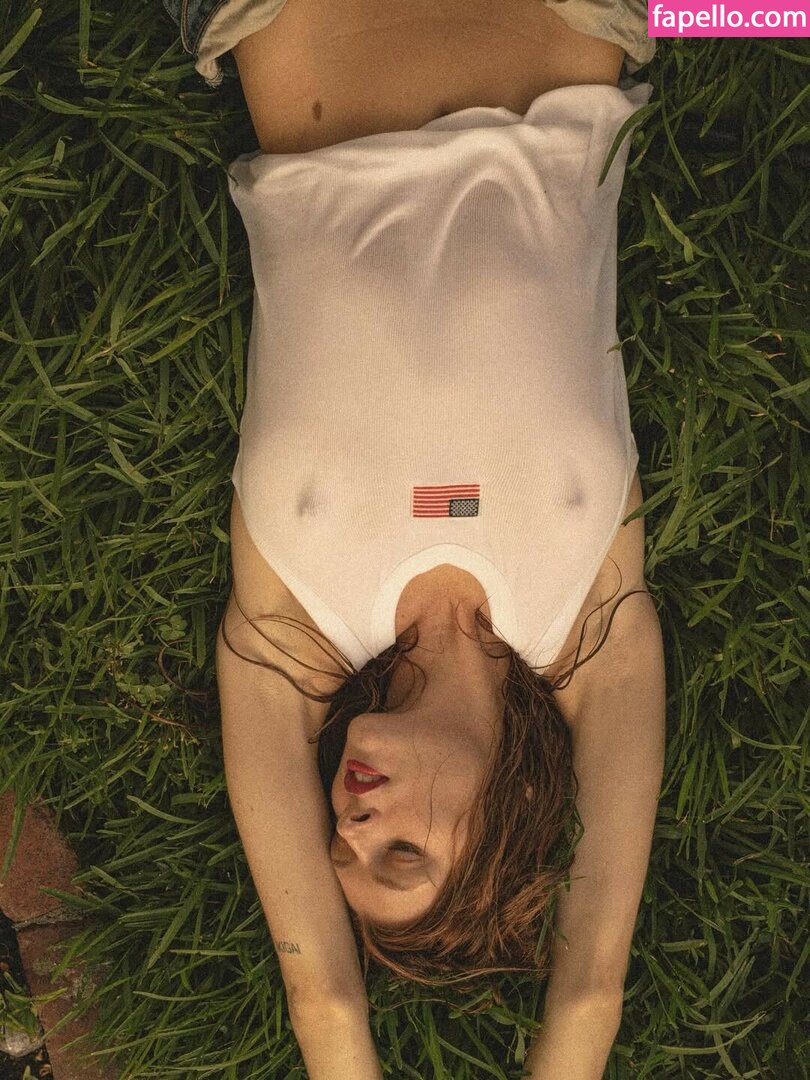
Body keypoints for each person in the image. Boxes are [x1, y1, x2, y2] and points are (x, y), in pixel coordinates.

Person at [162, 0, 667, 1076]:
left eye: (340, 850)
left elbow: (324, 1002)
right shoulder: (592, 632)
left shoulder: (293, 637)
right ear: (507, 818)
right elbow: (591, 993)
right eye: (401, 855)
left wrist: (343, 1034)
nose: (350, 828)